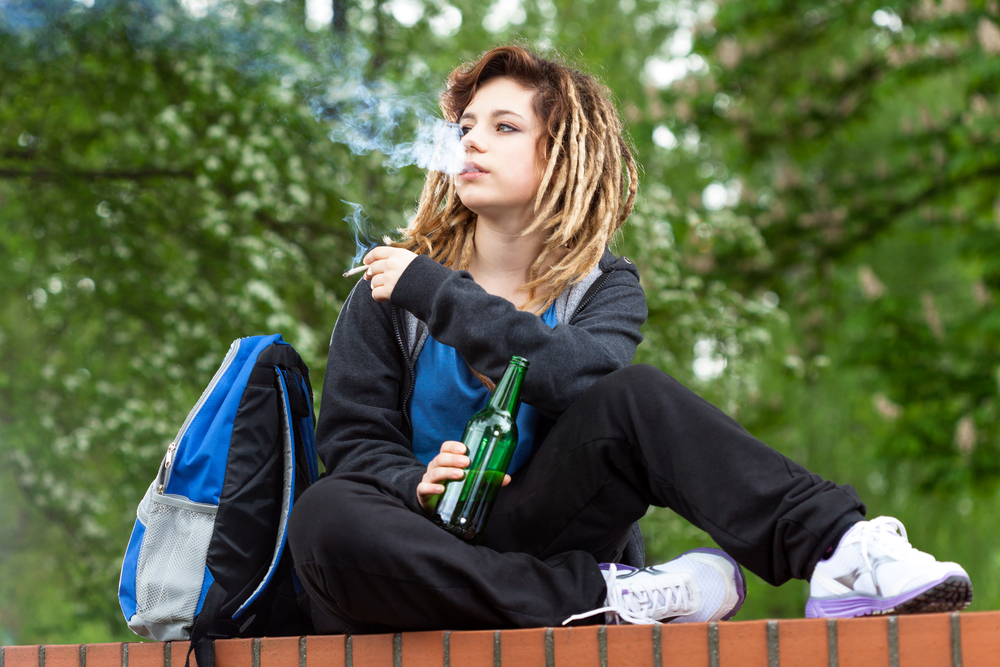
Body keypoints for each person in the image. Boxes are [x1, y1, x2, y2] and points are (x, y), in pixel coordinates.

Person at [287, 45, 973, 633]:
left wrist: (437, 291)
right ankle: (605, 598)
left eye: (503, 126)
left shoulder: (600, 286)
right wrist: (413, 483)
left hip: (541, 531)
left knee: (637, 393)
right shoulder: (386, 297)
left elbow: (584, 386)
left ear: (562, 155)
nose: (471, 139)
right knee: (322, 515)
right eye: (465, 125)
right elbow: (351, 449)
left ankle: (841, 549)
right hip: (415, 555)